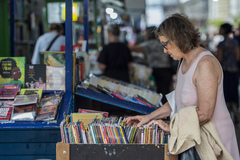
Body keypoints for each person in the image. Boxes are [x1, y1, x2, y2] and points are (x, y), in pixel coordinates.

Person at [123, 13, 239, 160]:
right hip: (195, 139)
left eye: (165, 44)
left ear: (178, 38)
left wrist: (172, 127)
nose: (164, 50)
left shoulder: (205, 64)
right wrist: (147, 118)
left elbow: (205, 113)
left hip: (215, 142)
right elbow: (177, 101)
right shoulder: (183, 62)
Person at [129, 26, 173, 104]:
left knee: (158, 94)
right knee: (166, 92)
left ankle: (162, 111)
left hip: (157, 71)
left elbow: (133, 48)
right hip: (167, 70)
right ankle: (168, 111)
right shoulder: (163, 42)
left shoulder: (150, 44)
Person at [217, 23, 240, 114]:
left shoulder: (222, 44)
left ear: (224, 30)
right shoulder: (235, 42)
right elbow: (238, 57)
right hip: (234, 69)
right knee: (234, 90)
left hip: (225, 69)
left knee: (226, 91)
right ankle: (236, 109)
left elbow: (219, 59)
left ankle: (227, 111)